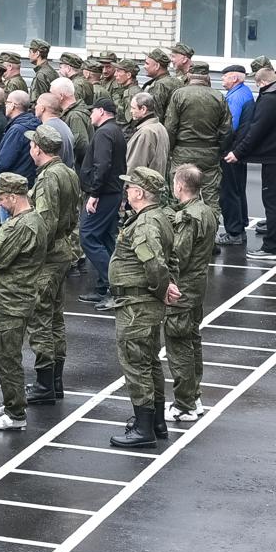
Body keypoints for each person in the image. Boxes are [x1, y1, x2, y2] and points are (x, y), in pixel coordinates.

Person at [108, 167, 181, 449]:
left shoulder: (145, 224)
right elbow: (169, 260)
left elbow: (154, 264)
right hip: (143, 302)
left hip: (137, 304)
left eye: (129, 188)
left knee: (136, 364)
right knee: (149, 362)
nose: (126, 192)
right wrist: (166, 286)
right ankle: (155, 422)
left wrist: (162, 289)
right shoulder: (156, 218)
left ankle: (143, 428)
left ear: (139, 193)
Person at [0, 173, 48, 432]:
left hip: (12, 299)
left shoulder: (19, 226)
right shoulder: (33, 220)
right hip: (19, 295)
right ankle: (14, 400)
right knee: (8, 355)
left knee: (6, 357)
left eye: (0, 198)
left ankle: (15, 413)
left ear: (12, 196)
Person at [24, 126, 83, 407]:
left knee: (40, 318)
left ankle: (44, 383)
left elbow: (44, 222)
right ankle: (55, 381)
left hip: (48, 256)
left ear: (39, 148)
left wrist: (31, 253)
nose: (30, 148)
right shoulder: (67, 172)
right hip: (63, 250)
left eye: (32, 144)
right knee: (55, 317)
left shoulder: (48, 178)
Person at [228, 61, 276, 259]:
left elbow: (256, 130)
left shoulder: (270, 99)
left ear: (262, 83)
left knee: (274, 202)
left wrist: (238, 152)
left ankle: (271, 248)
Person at [164, 164, 220, 424]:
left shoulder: (188, 218)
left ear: (179, 186)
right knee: (192, 341)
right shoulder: (206, 211)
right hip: (197, 287)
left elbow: (179, 256)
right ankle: (193, 397)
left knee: (179, 346)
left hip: (183, 291)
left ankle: (185, 403)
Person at [165, 61, 229, 219]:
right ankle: (209, 233)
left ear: (189, 75)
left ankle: (180, 230)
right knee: (210, 195)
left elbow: (170, 127)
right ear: (207, 77)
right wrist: (218, 149)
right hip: (209, 152)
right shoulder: (218, 96)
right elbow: (226, 130)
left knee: (180, 192)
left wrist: (171, 149)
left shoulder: (179, 94)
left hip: (183, 151)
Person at [81, 99, 128, 309]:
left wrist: (94, 192)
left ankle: (113, 286)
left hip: (104, 193)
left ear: (101, 111)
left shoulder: (104, 133)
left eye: (93, 111)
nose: (90, 115)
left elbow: (103, 164)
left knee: (88, 236)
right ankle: (104, 286)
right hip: (112, 192)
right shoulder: (115, 130)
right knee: (106, 238)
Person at [217, 65, 256, 244]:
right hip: (238, 150)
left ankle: (234, 232)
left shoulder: (236, 96)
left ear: (234, 79)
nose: (222, 80)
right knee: (238, 190)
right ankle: (238, 229)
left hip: (231, 150)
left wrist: (220, 145)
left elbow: (229, 126)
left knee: (229, 192)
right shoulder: (245, 92)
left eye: (225, 77)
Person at [0, 90, 39, 192]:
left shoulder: (17, 130)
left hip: (12, 186)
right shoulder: (35, 124)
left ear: (12, 105)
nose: (5, 106)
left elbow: (4, 160)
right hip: (26, 181)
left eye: (7, 103)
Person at [125, 91, 169, 179]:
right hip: (155, 184)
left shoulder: (146, 132)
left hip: (143, 188)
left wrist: (128, 187)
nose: (130, 111)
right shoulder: (160, 127)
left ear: (143, 109)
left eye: (133, 108)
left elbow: (135, 166)